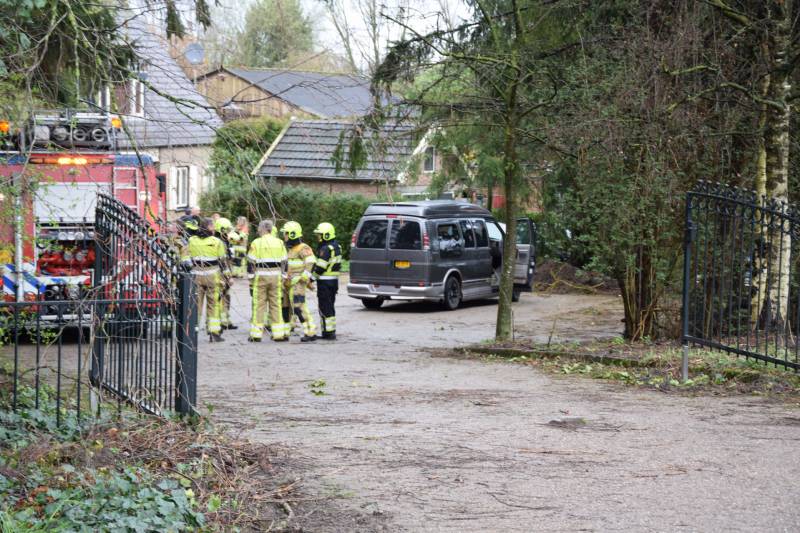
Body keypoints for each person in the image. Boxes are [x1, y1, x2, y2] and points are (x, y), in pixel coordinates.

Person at [181, 217, 226, 342]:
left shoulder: (191, 240)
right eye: (213, 226)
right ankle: (214, 333)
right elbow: (222, 262)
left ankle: (192, 333)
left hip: (196, 276)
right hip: (213, 276)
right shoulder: (217, 242)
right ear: (210, 227)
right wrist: (227, 277)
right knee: (214, 304)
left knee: (196, 305)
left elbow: (184, 258)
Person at [247, 220, 289, 342]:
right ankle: (278, 334)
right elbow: (285, 261)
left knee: (259, 305)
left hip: (261, 276)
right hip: (276, 276)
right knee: (276, 304)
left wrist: (250, 277)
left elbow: (251, 262)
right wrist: (284, 276)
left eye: (259, 229)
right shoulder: (280, 242)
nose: (258, 231)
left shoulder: (257, 242)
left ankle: (256, 335)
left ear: (263, 229)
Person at [281, 221, 317, 342]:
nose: (284, 236)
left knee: (299, 307)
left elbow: (311, 262)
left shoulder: (303, 248)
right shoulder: (291, 249)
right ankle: (285, 332)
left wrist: (304, 277)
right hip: (289, 283)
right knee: (286, 307)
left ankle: (310, 331)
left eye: (285, 233)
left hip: (298, 283)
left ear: (292, 234)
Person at [311, 222, 342, 340]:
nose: (318, 237)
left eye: (320, 235)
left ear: (326, 235)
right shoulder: (337, 246)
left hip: (324, 282)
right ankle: (330, 331)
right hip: (334, 282)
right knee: (330, 306)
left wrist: (311, 278)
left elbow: (320, 267)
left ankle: (328, 333)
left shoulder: (325, 248)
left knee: (324, 307)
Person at [214, 217, 238, 331]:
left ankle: (225, 321)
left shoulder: (225, 243)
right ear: (222, 230)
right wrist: (228, 277)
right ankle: (218, 322)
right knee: (219, 297)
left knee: (226, 297)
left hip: (224, 274)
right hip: (221, 275)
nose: (229, 232)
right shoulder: (220, 243)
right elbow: (222, 262)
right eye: (227, 230)